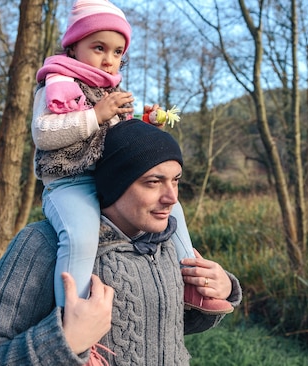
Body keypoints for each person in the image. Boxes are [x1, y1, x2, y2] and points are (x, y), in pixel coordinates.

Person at [0, 119, 242, 365]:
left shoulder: (164, 244)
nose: (172, 198)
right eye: (153, 182)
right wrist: (66, 342)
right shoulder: (42, 244)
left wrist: (222, 289)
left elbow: (163, 330)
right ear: (115, 183)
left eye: (175, 180)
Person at [33, 0, 232, 315]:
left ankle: (190, 284)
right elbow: (44, 134)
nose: (109, 60)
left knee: (171, 206)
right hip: (69, 181)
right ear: (73, 46)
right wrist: (97, 114)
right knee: (82, 237)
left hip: (109, 178)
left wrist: (145, 122)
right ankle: (72, 321)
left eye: (117, 52)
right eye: (99, 47)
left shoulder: (108, 90)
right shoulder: (57, 84)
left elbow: (117, 135)